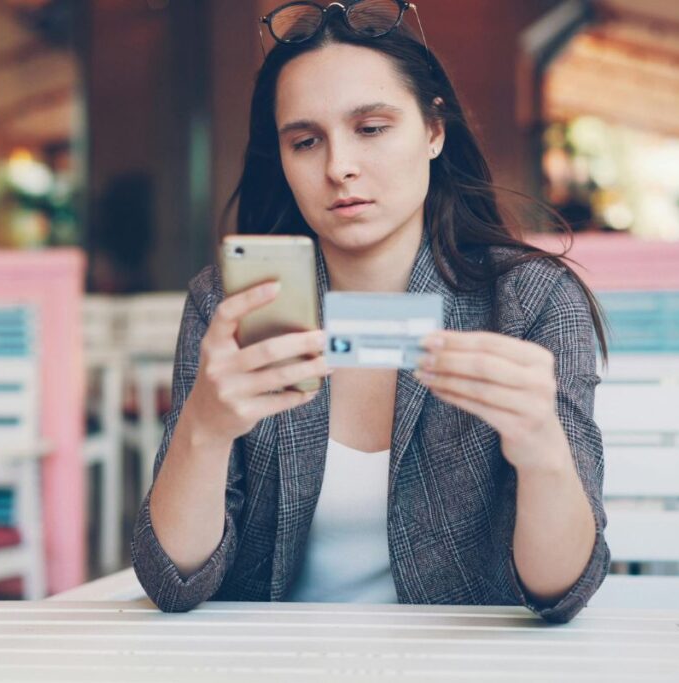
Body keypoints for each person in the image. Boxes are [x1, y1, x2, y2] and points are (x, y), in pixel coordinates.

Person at [131, 0, 609, 624]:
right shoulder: (231, 306)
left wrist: (542, 449)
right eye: (306, 141)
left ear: (435, 131)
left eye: (372, 128)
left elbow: (560, 594)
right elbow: (172, 581)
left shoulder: (530, 301)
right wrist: (205, 427)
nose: (339, 167)